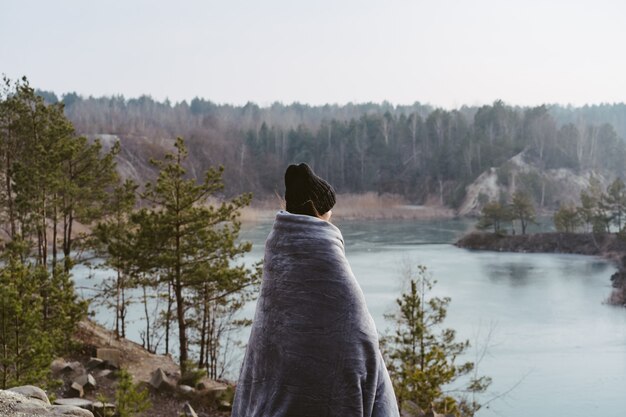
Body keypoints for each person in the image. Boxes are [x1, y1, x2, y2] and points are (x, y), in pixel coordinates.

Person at [232, 163, 399, 417]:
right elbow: (360, 336)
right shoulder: (325, 253)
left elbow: (267, 333)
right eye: (329, 208)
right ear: (319, 209)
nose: (331, 212)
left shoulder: (277, 246)